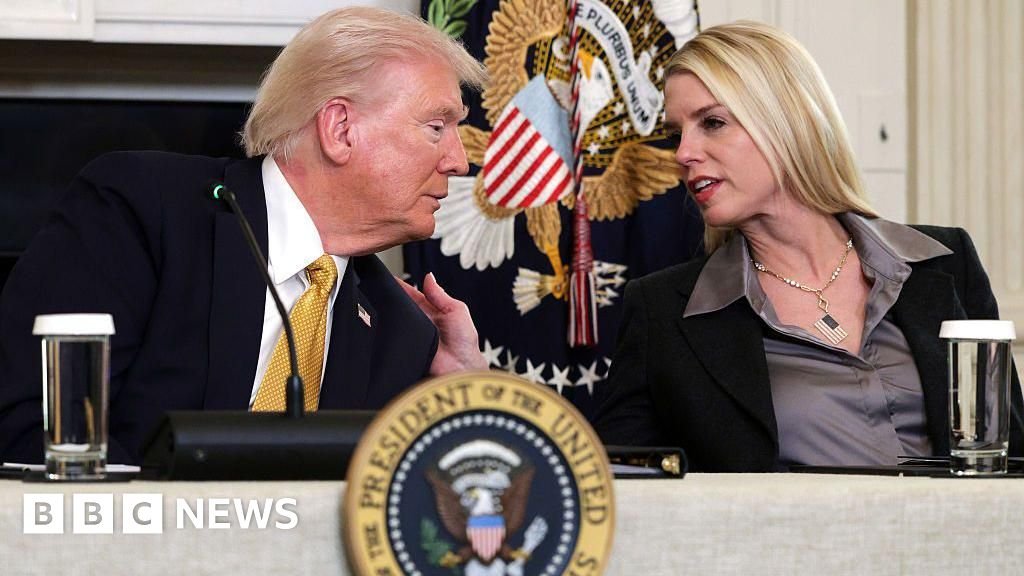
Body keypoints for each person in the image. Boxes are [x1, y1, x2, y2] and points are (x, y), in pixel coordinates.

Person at [0, 7, 489, 465]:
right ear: (340, 129)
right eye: (436, 127)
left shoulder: (401, 333)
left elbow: (432, 504)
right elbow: (32, 433)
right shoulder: (141, 211)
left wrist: (469, 389)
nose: (458, 161)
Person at [592, 21, 1023, 472]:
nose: (683, 153)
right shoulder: (662, 312)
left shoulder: (947, 261)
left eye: (713, 123)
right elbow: (617, 481)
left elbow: (1011, 457)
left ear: (787, 122)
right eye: (676, 134)